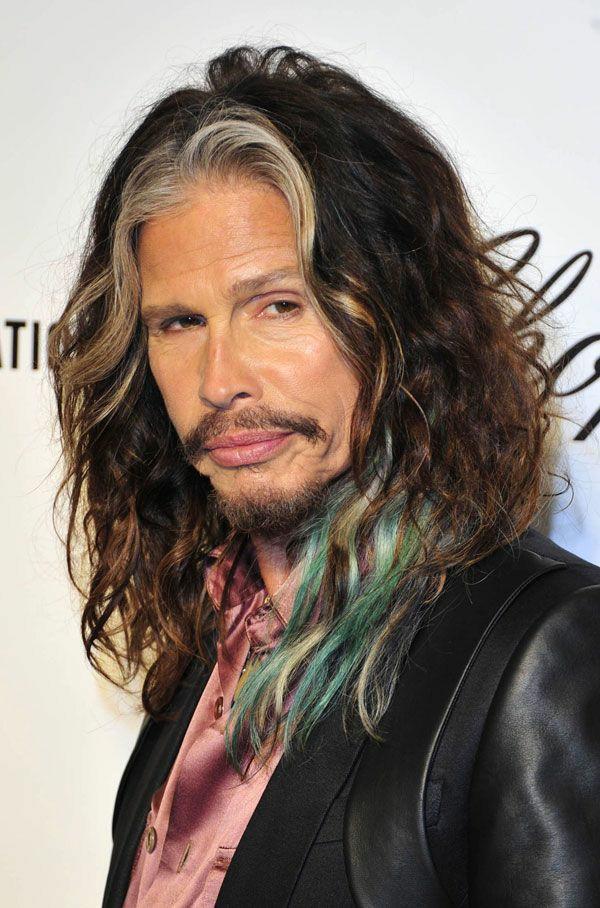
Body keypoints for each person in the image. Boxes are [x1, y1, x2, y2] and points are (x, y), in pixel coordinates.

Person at [48, 44, 600, 907]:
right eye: (180, 322)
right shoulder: (204, 648)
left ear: (401, 322)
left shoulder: (541, 653)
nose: (219, 379)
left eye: (278, 305)